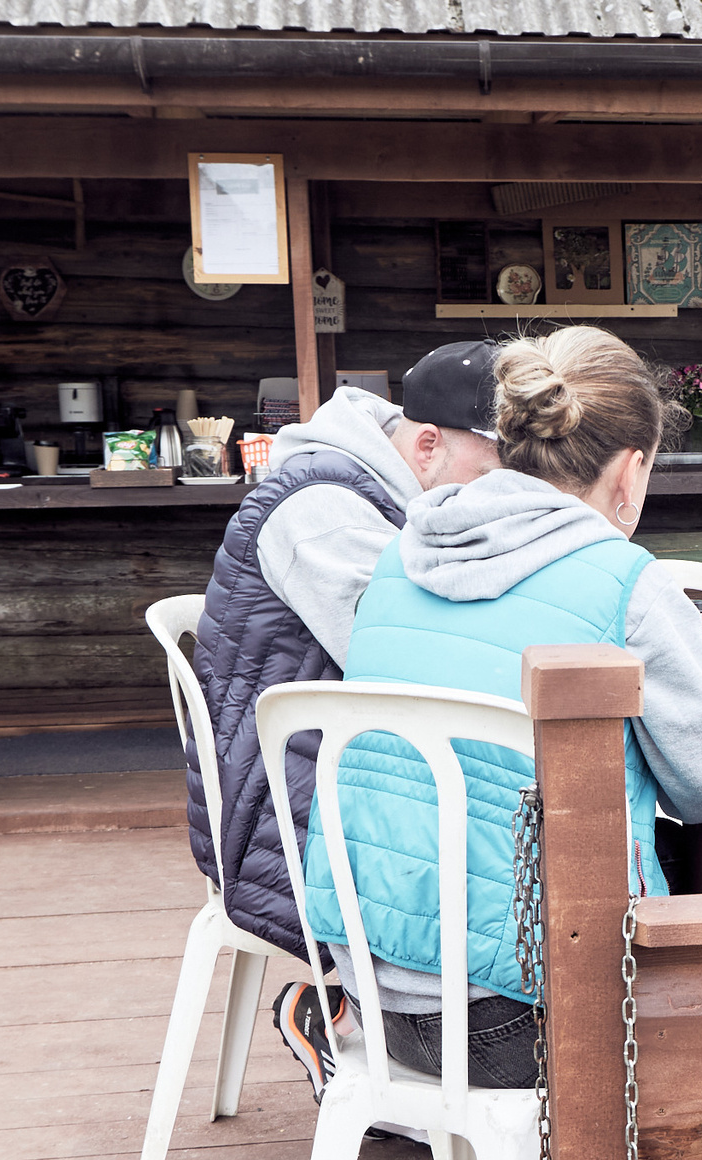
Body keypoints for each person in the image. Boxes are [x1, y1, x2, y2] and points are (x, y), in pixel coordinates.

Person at [278, 326, 702, 1160]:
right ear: (631, 470)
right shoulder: (624, 580)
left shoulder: (403, 556)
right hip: (529, 1025)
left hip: (374, 1003)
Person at [189, 344, 503, 1066]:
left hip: (356, 772)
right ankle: (375, 1029)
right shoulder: (321, 509)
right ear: (426, 445)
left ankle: (407, 1044)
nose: (493, 501)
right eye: (488, 479)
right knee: (535, 847)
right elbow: (409, 658)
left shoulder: (382, 483)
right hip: (282, 813)